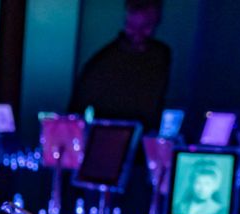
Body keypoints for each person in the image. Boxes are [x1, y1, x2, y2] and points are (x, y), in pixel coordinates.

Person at [68, 0, 171, 131]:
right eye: (132, 27)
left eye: (146, 27)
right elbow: (76, 111)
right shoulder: (102, 62)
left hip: (141, 138)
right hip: (109, 138)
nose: (138, 36)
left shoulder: (160, 56)